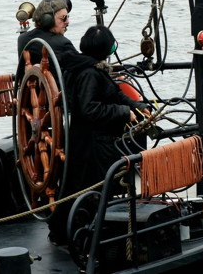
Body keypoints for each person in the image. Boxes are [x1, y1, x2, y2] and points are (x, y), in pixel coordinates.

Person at [47, 25, 150, 245]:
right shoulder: (89, 74)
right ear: (107, 49)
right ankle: (84, 235)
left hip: (87, 140)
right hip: (92, 144)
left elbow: (113, 94)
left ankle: (74, 231)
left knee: (81, 186)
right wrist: (124, 113)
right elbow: (89, 109)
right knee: (91, 188)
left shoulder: (86, 67)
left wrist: (137, 105)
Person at [17, 0, 77, 64]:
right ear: (48, 20)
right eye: (63, 18)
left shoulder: (22, 38)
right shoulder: (63, 43)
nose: (67, 22)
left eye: (67, 17)